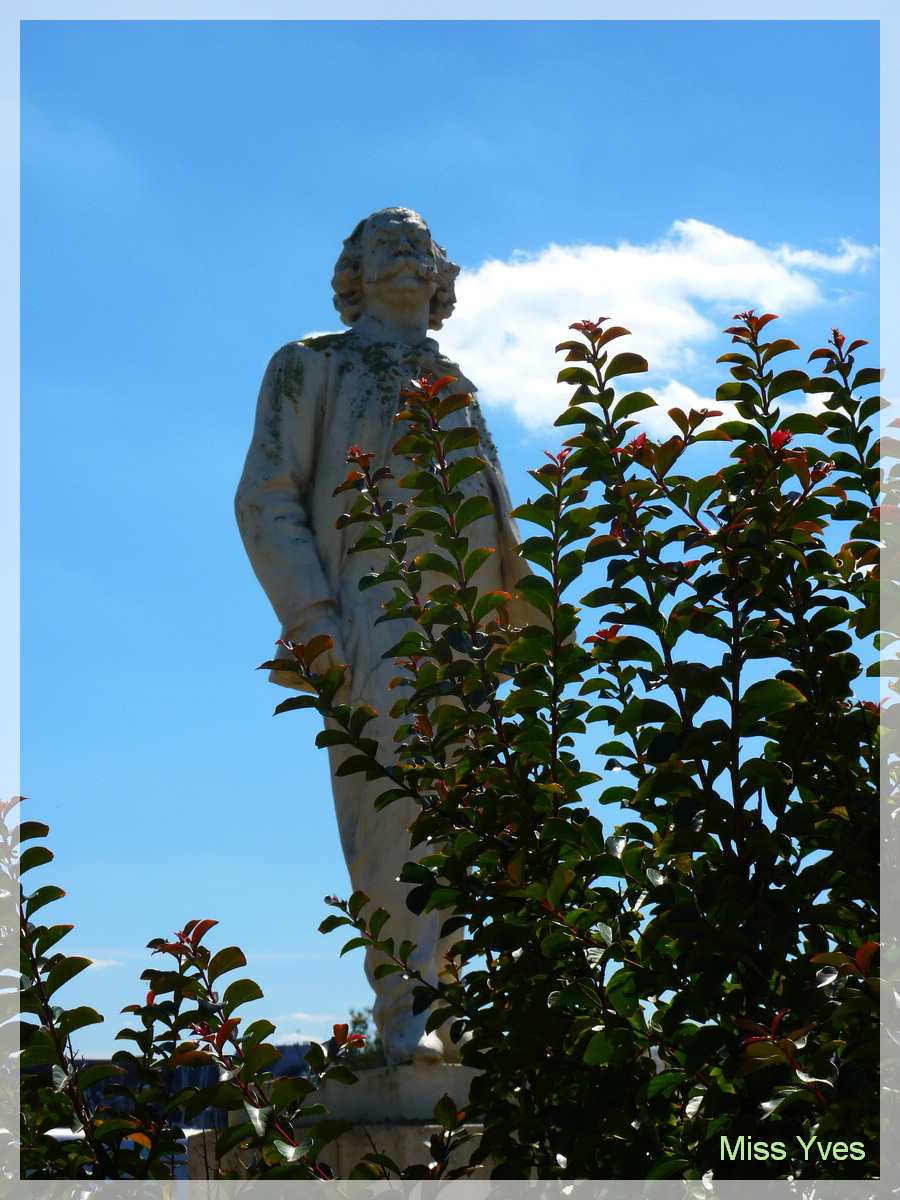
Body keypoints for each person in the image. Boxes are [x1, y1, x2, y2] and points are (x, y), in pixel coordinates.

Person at [235, 208, 532, 1064]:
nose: (404, 254)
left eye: (418, 244)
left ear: (443, 273)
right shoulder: (315, 363)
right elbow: (265, 495)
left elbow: (490, 517)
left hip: (469, 632)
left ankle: (460, 997)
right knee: (390, 808)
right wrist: (313, 621)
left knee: (469, 816)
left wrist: (514, 620)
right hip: (370, 619)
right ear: (354, 273)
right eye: (382, 245)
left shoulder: (454, 376)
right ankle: (408, 1002)